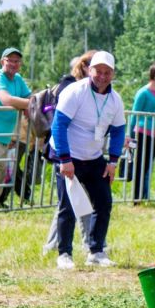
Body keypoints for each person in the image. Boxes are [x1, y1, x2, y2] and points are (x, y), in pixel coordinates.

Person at [49, 51, 125, 269]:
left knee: (104, 202)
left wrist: (112, 161)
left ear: (112, 74)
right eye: (98, 71)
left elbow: (119, 131)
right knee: (68, 205)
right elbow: (58, 125)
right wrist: (64, 159)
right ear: (89, 70)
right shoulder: (76, 91)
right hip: (69, 155)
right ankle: (64, 254)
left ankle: (96, 250)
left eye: (107, 72)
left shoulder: (115, 99)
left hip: (93, 157)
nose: (102, 76)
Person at [42, 51, 98, 255]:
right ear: (84, 66)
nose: (99, 73)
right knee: (69, 201)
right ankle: (57, 245)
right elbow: (63, 123)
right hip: (66, 152)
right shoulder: (70, 85)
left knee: (78, 199)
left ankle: (81, 243)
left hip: (85, 153)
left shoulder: (96, 92)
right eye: (93, 66)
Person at [129, 62, 155, 202]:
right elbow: (134, 114)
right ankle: (137, 198)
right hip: (141, 132)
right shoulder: (143, 93)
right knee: (140, 164)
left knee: (148, 166)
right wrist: (130, 134)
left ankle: (144, 195)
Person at [0, 47, 31, 207]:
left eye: (17, 61)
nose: (14, 64)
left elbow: (28, 96)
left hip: (6, 138)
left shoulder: (18, 79)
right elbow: (6, 100)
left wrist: (31, 103)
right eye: (10, 60)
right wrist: (33, 104)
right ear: (2, 61)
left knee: (0, 181)